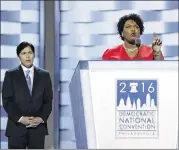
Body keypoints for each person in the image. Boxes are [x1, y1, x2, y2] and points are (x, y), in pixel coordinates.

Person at [2, 41, 53, 149]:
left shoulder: (44, 75)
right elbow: (7, 101)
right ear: (18, 56)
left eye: (30, 52)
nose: (27, 56)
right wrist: (20, 118)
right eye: (23, 53)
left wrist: (41, 118)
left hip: (37, 129)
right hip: (16, 128)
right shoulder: (10, 75)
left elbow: (48, 100)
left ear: (34, 55)